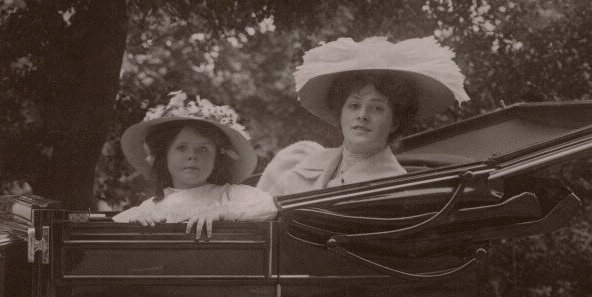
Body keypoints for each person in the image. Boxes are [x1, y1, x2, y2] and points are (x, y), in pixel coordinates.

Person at [258, 36, 470, 196]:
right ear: (340, 112)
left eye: (376, 108)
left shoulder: (397, 186)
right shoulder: (303, 161)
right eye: (353, 105)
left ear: (395, 121)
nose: (362, 115)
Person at [114, 91, 277, 237]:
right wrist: (136, 220)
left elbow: (268, 205)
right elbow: (117, 221)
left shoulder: (227, 195)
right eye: (181, 148)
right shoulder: (152, 205)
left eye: (203, 149)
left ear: (216, 160)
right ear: (165, 157)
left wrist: (222, 211)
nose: (192, 156)